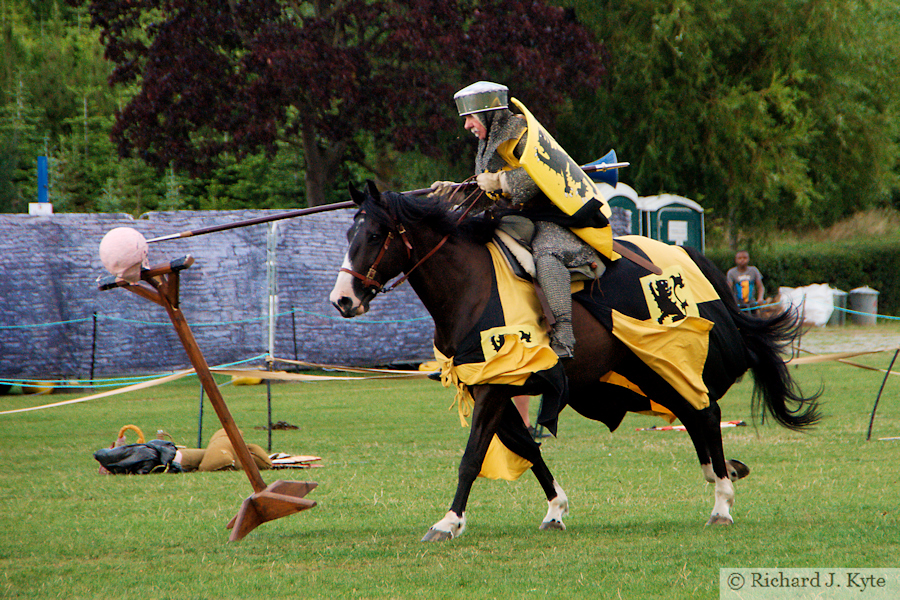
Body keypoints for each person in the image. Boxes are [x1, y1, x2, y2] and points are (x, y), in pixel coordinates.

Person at [431, 81, 614, 358]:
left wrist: (501, 180)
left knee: (547, 255)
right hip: (516, 217)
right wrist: (455, 194)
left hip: (552, 216)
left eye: (470, 117)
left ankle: (564, 334)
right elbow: (488, 194)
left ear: (487, 114)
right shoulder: (487, 143)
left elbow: (543, 173)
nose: (466, 125)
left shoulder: (522, 133)